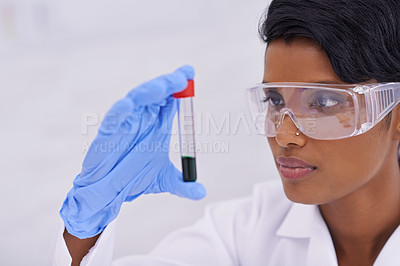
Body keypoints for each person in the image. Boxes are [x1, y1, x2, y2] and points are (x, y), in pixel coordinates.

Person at [53, 0, 400, 265]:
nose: (284, 135)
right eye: (274, 99)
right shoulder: (241, 234)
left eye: (324, 102)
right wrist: (85, 227)